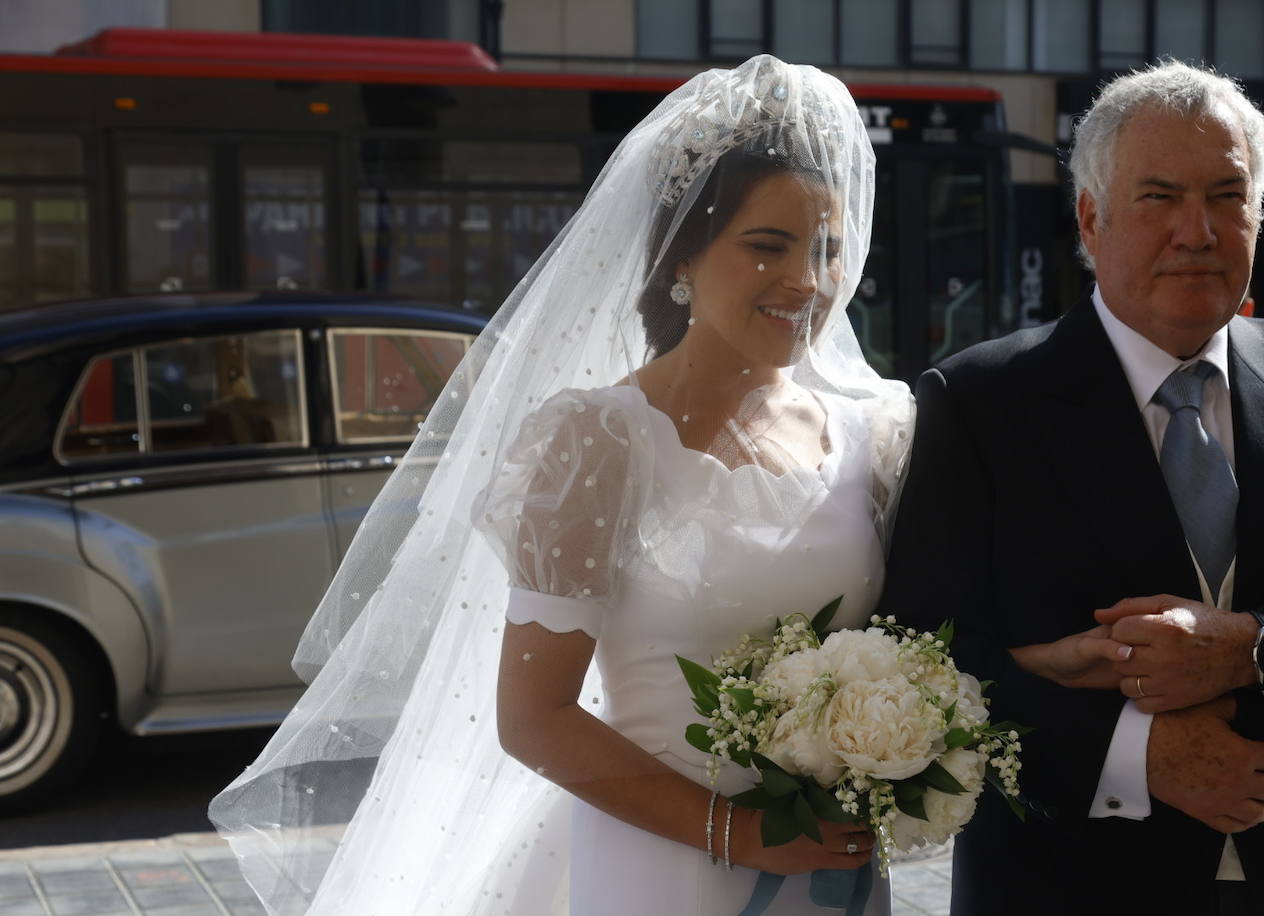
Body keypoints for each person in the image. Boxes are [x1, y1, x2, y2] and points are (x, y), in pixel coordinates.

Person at [210, 55, 913, 915]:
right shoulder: (600, 440)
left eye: (829, 251)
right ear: (681, 259)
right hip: (671, 865)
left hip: (835, 871)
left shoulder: (869, 434)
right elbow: (534, 717)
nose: (808, 281)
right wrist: (737, 833)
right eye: (768, 246)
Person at [887, 60, 1264, 916]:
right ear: (1090, 216)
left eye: (1228, 195)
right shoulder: (979, 402)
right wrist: (1134, 753)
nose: (1199, 230)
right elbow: (924, 661)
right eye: (1158, 197)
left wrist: (1258, 646)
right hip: (1064, 886)